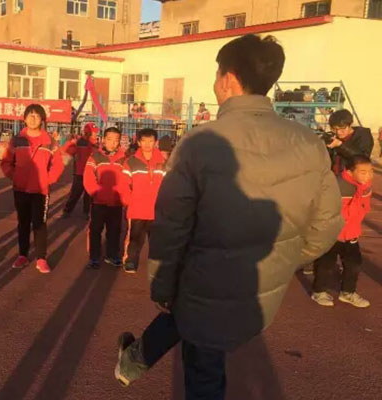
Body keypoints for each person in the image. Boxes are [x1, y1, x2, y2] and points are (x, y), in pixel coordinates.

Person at [114, 34, 343, 399]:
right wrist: (281, 259)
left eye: (216, 73)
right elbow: (327, 224)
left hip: (204, 281)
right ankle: (132, 361)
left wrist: (161, 286)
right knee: (194, 327)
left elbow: (171, 227)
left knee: (203, 370)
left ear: (229, 79)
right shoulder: (309, 143)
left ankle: (133, 362)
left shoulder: (200, 143)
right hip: (257, 286)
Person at [1, 104, 64, 273]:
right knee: (23, 223)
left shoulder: (50, 141)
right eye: (30, 115)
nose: (33, 118)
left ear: (42, 119)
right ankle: (22, 255)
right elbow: (6, 162)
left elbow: (58, 165)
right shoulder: (17, 140)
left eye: (37, 115)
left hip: (40, 191)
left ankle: (41, 258)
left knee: (39, 224)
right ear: (24, 119)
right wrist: (15, 176)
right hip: (20, 189)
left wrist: (47, 179)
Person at [311, 155, 373, 308]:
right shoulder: (336, 186)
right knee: (326, 264)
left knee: (354, 264)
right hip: (331, 234)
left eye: (370, 171)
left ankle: (348, 292)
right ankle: (319, 291)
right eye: (363, 172)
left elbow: (364, 207)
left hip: (351, 233)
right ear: (350, 172)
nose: (368, 175)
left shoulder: (365, 186)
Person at [83, 126, 129, 269]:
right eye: (109, 139)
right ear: (103, 140)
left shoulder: (124, 159)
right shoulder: (95, 157)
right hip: (98, 202)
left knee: (115, 230)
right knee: (95, 230)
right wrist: (96, 193)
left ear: (119, 141)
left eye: (116, 140)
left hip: (116, 203)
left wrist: (123, 197)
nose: (112, 143)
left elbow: (127, 180)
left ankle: (112, 255)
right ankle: (94, 257)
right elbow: (88, 178)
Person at [122, 128, 166, 274]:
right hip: (137, 209)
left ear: (156, 142)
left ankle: (156, 265)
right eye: (144, 141)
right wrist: (129, 201)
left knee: (157, 240)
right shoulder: (131, 162)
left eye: (151, 141)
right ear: (139, 142)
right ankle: (131, 261)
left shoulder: (163, 162)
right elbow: (124, 183)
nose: (147, 144)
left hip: (157, 210)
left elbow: (170, 184)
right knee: (135, 239)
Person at [61, 122, 99, 218]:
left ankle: (86, 212)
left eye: (96, 132)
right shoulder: (79, 142)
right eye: (94, 132)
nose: (96, 134)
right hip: (80, 172)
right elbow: (67, 151)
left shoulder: (96, 145)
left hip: (91, 173)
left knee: (89, 194)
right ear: (87, 132)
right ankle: (67, 210)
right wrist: (71, 142)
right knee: (75, 193)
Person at [326, 109, 373, 175]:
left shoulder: (363, 135)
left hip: (353, 177)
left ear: (350, 125)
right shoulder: (333, 136)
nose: (338, 132)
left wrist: (340, 145)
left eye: (342, 128)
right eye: (334, 129)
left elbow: (363, 158)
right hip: (334, 176)